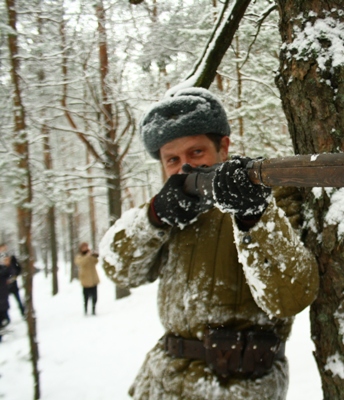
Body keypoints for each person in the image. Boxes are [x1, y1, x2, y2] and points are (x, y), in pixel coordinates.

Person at [99, 87, 319, 400]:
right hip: (160, 383)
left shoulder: (271, 197)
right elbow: (118, 270)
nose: (185, 167)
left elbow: (289, 297)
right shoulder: (168, 210)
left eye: (196, 152)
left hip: (240, 387)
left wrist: (252, 215)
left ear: (223, 147)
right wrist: (154, 217)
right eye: (172, 159)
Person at [74, 242, 100, 316]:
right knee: (86, 297)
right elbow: (80, 263)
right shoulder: (79, 256)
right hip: (85, 280)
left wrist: (93, 256)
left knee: (95, 297)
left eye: (86, 246)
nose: (85, 248)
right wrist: (87, 256)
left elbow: (96, 261)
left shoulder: (90, 254)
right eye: (84, 247)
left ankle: (93, 310)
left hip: (93, 279)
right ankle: (85, 310)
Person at [0, 243, 25, 317]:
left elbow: (18, 268)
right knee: (3, 302)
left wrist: (14, 276)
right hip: (3, 286)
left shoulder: (12, 258)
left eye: (4, 248)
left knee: (18, 299)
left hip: (13, 283)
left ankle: (23, 313)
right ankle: (5, 317)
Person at [0, 255, 11, 342]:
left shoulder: (3, 268)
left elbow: (8, 274)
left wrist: (7, 265)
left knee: (5, 316)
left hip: (3, 295)